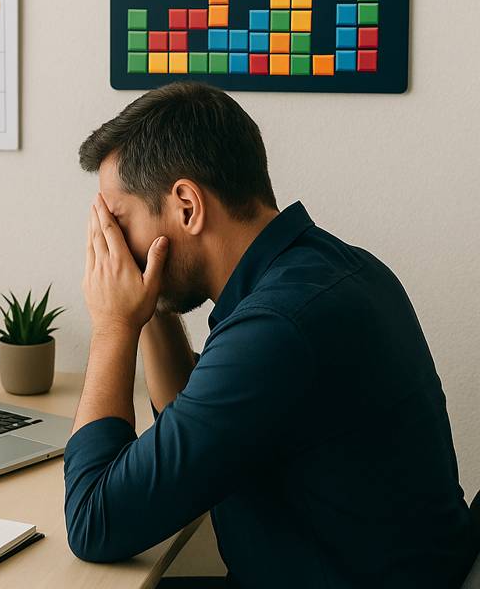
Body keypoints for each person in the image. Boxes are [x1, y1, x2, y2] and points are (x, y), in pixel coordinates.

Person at [63, 83, 478, 588]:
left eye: (120, 222)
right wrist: (146, 304)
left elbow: (93, 521)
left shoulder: (276, 329)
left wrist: (112, 326)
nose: (115, 247)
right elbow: (189, 422)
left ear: (187, 206)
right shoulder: (331, 271)